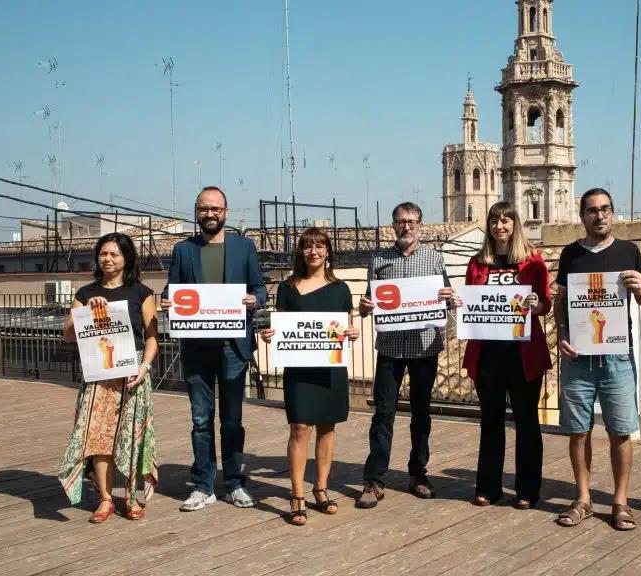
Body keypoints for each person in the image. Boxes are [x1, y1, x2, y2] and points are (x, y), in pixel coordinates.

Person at [161, 186, 267, 512]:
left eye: (215, 209)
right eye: (204, 209)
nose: (210, 214)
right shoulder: (183, 250)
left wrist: (256, 299)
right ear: (196, 212)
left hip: (233, 348)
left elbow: (260, 287)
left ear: (226, 212)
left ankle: (234, 483)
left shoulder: (244, 247)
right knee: (201, 420)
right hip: (196, 348)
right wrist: (168, 302)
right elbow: (172, 290)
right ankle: (204, 485)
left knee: (232, 420)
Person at [552, 188, 641, 530]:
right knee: (579, 431)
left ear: (613, 212)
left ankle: (620, 502)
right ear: (582, 216)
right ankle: (583, 499)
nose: (599, 215)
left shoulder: (630, 251)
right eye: (592, 210)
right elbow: (561, 299)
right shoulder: (569, 254)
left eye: (605, 209)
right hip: (578, 359)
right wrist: (561, 334)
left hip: (617, 358)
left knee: (621, 432)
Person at [355, 201, 458, 508]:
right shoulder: (378, 259)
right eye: (401, 221)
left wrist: (449, 297)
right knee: (383, 414)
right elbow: (368, 301)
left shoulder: (435, 259)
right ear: (393, 225)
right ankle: (374, 480)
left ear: (420, 226)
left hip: (424, 347)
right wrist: (364, 307)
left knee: (421, 414)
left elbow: (450, 299)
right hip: (390, 348)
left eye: (412, 221)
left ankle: (418, 473)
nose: (406, 226)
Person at [259, 228, 360, 525]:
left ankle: (321, 488)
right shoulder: (287, 288)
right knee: (300, 427)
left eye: (319, 246)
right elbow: (277, 327)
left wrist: (352, 333)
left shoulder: (341, 289)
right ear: (300, 252)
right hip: (298, 369)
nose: (313, 251)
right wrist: (269, 335)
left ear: (328, 251)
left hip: (330, 368)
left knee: (327, 428)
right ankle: (296, 494)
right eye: (307, 246)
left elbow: (347, 326)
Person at [59, 232, 158, 523]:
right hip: (99, 376)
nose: (108, 259)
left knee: (130, 437)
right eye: (104, 254)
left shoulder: (141, 292)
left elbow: (152, 338)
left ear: (127, 258)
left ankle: (129, 497)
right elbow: (67, 335)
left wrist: (145, 368)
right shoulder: (85, 294)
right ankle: (104, 498)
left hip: (132, 375)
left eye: (115, 254)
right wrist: (86, 314)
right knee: (99, 438)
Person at [462, 201, 551, 509]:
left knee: (527, 423)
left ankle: (528, 490)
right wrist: (455, 303)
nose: (499, 226)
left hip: (523, 355)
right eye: (494, 221)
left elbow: (545, 305)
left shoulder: (534, 261)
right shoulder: (477, 262)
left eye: (505, 221)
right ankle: (488, 487)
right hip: (487, 355)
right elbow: (469, 303)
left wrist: (536, 303)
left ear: (515, 225)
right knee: (491, 422)